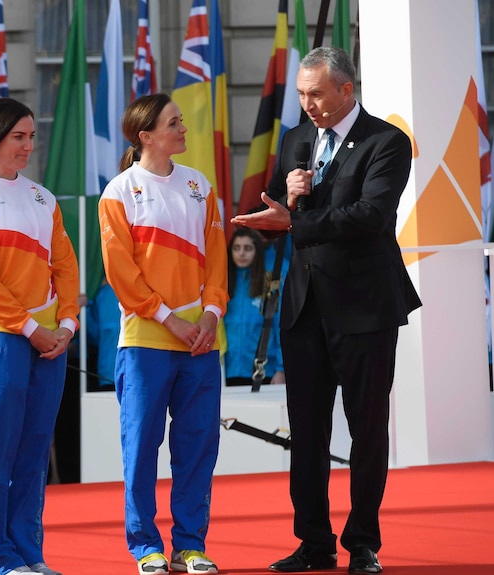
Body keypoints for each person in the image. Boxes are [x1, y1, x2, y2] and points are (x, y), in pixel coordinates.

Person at [231, 46, 422, 574]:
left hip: (365, 307)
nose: (308, 104)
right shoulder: (296, 139)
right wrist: (287, 198)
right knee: (307, 430)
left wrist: (295, 221)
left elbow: (370, 216)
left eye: (317, 94)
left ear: (346, 90)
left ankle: (362, 543)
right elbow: (271, 212)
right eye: (301, 94)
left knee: (367, 428)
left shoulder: (387, 142)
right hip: (304, 308)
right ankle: (313, 542)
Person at [0, 97, 79, 575]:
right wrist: (32, 330)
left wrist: (65, 325)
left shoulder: (43, 198)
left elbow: (65, 267)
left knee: (32, 451)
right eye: (17, 137)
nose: (27, 145)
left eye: (30, 136)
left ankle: (28, 554)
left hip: (48, 341)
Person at [98, 93, 228, 575]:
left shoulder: (200, 184)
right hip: (147, 341)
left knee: (197, 446)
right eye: (173, 123)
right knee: (141, 447)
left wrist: (211, 315)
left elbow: (216, 257)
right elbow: (121, 273)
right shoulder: (119, 192)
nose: (183, 129)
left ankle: (190, 545)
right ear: (145, 135)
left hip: (199, 341)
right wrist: (172, 320)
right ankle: (145, 546)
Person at [223, 227, 285, 387]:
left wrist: (281, 369)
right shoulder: (223, 282)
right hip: (227, 370)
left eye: (248, 248)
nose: (241, 253)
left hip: (264, 370)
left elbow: (280, 327)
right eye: (236, 248)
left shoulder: (269, 283)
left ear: (257, 251)